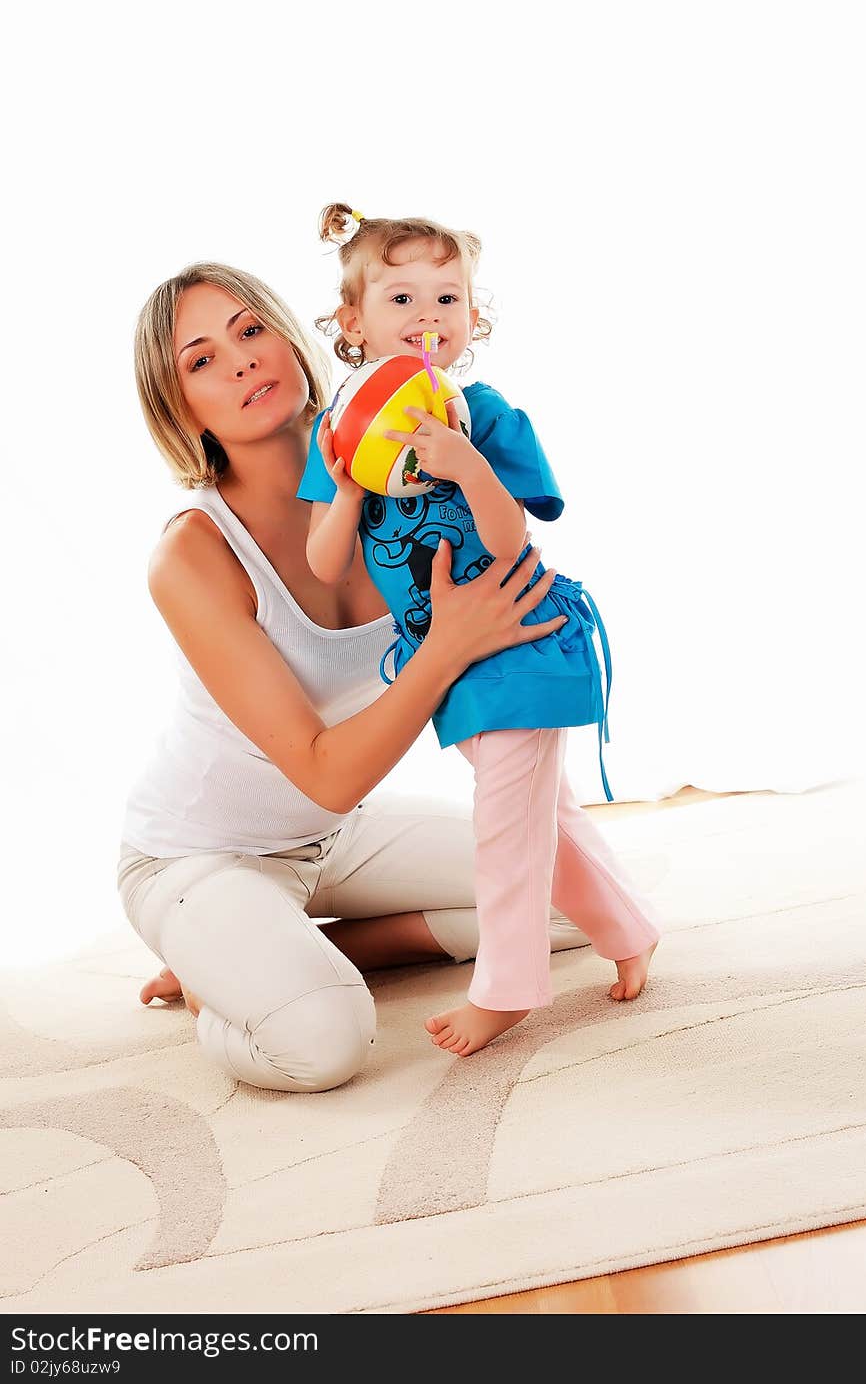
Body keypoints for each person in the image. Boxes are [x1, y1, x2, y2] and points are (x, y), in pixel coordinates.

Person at [120, 260, 609, 1095]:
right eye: (200, 360)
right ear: (180, 408)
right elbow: (324, 767)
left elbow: (501, 530)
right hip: (199, 856)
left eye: (248, 330)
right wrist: (445, 648)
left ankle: (294, 951)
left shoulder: (392, 466)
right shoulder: (193, 554)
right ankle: (214, 979)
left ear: (289, 336)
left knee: (572, 894)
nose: (239, 361)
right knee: (323, 1041)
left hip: (334, 836)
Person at [300, 205, 661, 1057]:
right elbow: (325, 563)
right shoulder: (341, 426)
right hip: (445, 658)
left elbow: (508, 538)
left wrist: (465, 464)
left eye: (448, 297)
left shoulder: (482, 411)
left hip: (520, 635)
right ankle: (630, 927)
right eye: (401, 298)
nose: (428, 315)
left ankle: (505, 987)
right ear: (353, 322)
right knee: (544, 814)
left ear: (471, 317)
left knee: (503, 820)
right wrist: (349, 489)